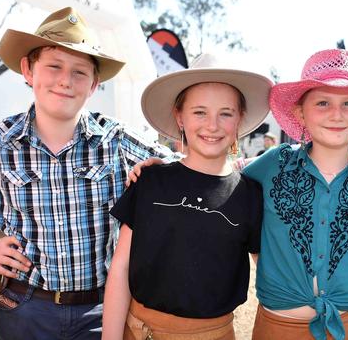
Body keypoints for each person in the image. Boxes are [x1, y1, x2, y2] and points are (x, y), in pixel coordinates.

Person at [0, 7, 173, 339]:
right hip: (24, 308)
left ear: (93, 84)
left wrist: (161, 171)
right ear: (28, 70)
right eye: (54, 66)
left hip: (102, 310)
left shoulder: (116, 140)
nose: (65, 81)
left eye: (79, 73)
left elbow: (184, 170)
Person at [102, 54, 272, 339]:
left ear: (240, 118)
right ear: (179, 116)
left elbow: (270, 271)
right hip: (139, 331)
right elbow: (120, 268)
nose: (212, 125)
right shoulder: (150, 180)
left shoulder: (251, 195)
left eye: (226, 113)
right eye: (199, 112)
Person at [243, 49, 348, 339]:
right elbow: (220, 176)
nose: (336, 114)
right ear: (300, 112)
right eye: (323, 102)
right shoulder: (272, 165)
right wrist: (163, 165)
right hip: (278, 327)